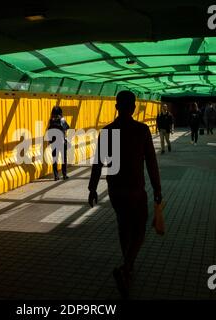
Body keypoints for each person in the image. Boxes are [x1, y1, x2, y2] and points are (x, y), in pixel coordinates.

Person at [87, 90, 164, 298]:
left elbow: (97, 163)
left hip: (115, 190)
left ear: (116, 107)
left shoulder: (107, 132)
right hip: (135, 189)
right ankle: (127, 266)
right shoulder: (141, 130)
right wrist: (157, 187)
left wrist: (92, 188)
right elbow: (151, 161)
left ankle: (128, 266)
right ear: (133, 108)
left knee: (123, 226)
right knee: (139, 228)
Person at [47, 106, 70, 180]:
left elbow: (49, 130)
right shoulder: (62, 119)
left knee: (55, 159)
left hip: (54, 142)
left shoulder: (51, 120)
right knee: (64, 158)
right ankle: (64, 175)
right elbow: (67, 127)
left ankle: (56, 176)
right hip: (61, 141)